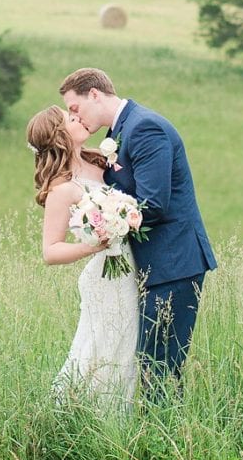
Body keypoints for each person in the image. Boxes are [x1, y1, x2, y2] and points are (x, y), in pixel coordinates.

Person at [58, 66, 216, 396]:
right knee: (147, 364)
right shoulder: (116, 134)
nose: (74, 116)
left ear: (95, 94)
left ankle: (168, 442)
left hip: (173, 263)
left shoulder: (144, 128)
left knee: (161, 368)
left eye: (75, 108)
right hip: (150, 266)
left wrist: (109, 226)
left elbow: (153, 204)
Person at [28, 104, 139, 408]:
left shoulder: (99, 161)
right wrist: (95, 245)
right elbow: (50, 251)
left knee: (127, 349)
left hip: (130, 268)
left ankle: (119, 419)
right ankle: (75, 415)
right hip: (105, 275)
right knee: (101, 350)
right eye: (71, 119)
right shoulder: (61, 189)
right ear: (60, 135)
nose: (79, 119)